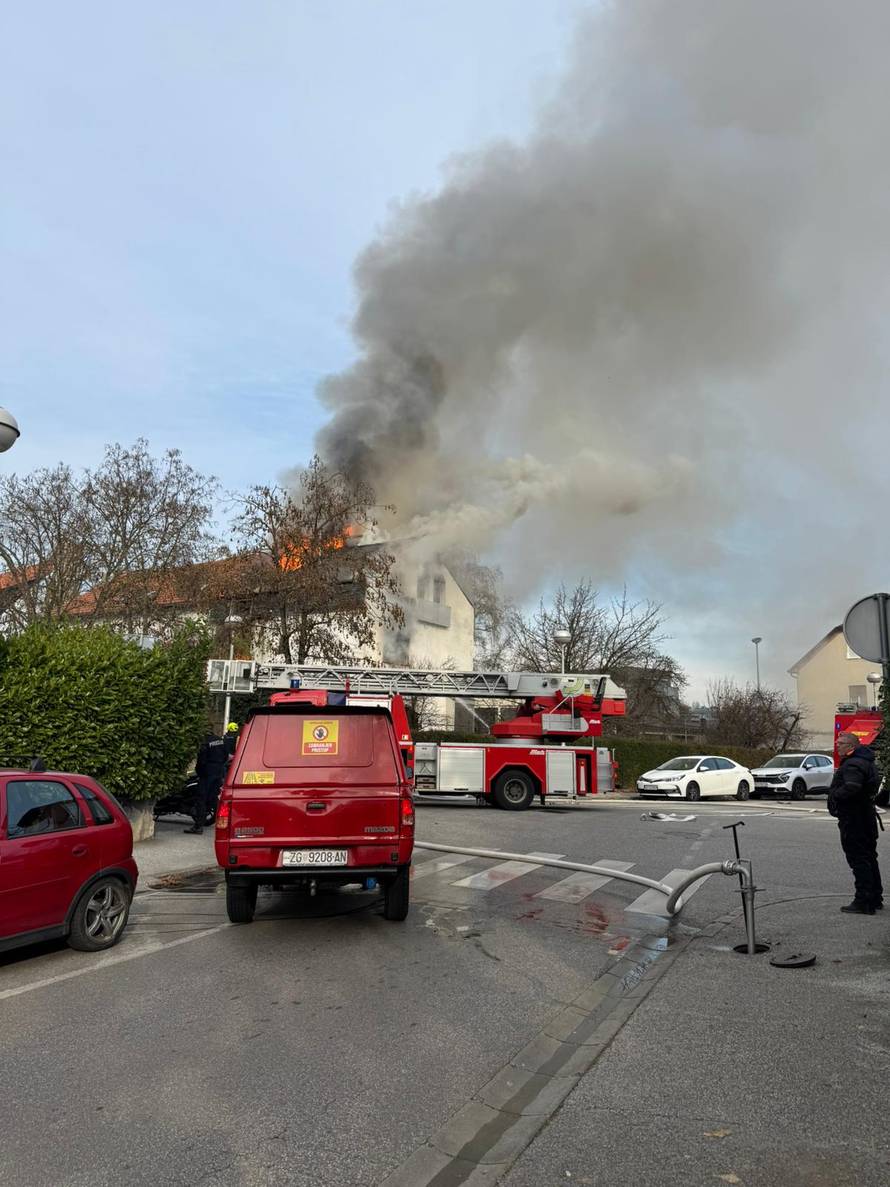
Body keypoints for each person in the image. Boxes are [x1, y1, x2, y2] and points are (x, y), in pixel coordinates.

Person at [828, 732, 883, 914]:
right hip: (866, 816)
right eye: (837, 742)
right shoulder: (866, 762)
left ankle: (863, 900)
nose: (838, 745)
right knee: (869, 857)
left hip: (854, 818)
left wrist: (835, 796)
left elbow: (852, 787)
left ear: (852, 746)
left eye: (841, 743)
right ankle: (875, 897)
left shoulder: (853, 764)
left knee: (858, 858)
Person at [184, 729, 228, 835]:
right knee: (214, 798)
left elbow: (201, 760)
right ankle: (221, 822)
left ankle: (198, 826)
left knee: (201, 798)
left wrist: (199, 772)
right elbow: (226, 755)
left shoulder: (204, 742)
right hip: (219, 771)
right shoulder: (220, 740)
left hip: (208, 773)